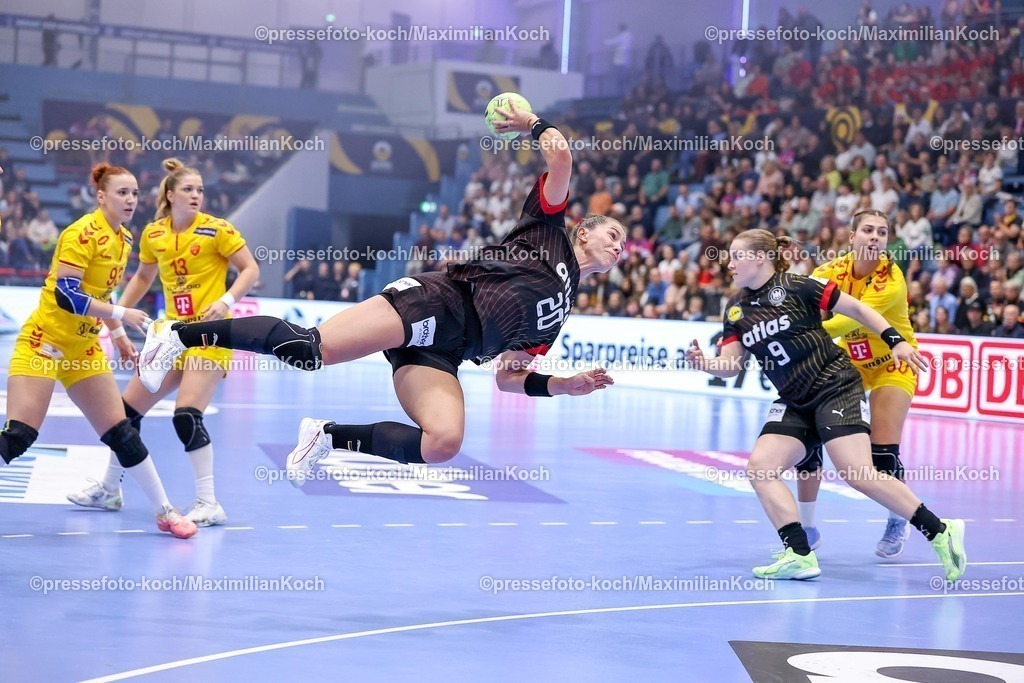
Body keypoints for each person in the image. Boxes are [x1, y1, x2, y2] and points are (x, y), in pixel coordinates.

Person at [137, 99, 624, 484]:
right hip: (437, 302)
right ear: (584, 232)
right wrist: (531, 121)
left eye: (624, 244)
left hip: (447, 353)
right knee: (311, 350)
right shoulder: (548, 229)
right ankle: (179, 336)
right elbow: (561, 156)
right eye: (612, 235)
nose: (620, 246)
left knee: (443, 442)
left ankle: (324, 437)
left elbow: (509, 378)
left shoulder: (559, 314)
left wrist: (563, 385)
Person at [685, 229, 965, 582]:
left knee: (859, 474)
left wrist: (895, 342)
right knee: (760, 468)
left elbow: (859, 309)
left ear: (760, 258)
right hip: (794, 400)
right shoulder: (736, 309)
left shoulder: (799, 286)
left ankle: (941, 530)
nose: (728, 263)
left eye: (735, 255)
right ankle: (800, 553)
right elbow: (730, 365)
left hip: (835, 386)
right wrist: (704, 363)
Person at [0, 163, 196, 538]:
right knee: (20, 435)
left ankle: (165, 512)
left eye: (136, 193)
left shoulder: (123, 239)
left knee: (121, 431)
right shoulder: (80, 234)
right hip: (45, 342)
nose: (131, 200)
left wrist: (119, 334)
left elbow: (100, 295)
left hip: (85, 348)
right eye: (122, 193)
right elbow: (68, 295)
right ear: (101, 196)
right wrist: (123, 312)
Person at [68, 159, 259, 526]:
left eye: (200, 190)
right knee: (124, 414)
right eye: (188, 189)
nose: (196, 195)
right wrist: (117, 313)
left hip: (211, 338)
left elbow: (250, 268)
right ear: (170, 195)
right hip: (173, 338)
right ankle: (109, 489)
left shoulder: (217, 230)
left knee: (186, 415)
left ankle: (208, 502)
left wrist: (226, 302)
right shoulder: (154, 234)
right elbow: (142, 277)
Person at [794, 209, 920, 558]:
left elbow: (848, 322)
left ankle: (899, 518)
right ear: (851, 237)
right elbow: (808, 311)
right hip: (849, 363)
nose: (876, 236)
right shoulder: (827, 272)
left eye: (882, 231)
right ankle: (807, 527)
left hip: (893, 362)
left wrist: (801, 334)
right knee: (808, 434)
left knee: (881, 452)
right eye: (868, 230)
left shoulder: (891, 279)